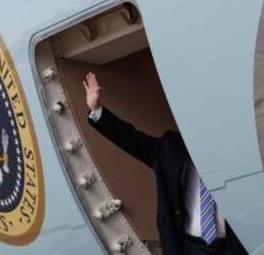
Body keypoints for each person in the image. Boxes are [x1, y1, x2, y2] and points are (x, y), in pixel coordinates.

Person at [83, 72, 248, 255]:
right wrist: (96, 109)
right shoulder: (171, 149)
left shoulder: (240, 152)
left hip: (235, 247)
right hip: (190, 249)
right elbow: (131, 139)